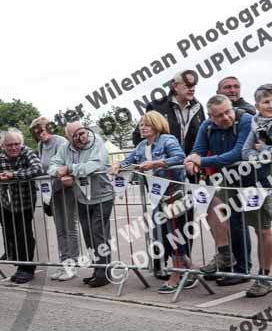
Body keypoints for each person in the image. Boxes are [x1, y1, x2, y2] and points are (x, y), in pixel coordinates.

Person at [111, 111, 193, 293]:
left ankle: (176, 275)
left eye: (146, 124)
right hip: (157, 198)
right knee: (165, 235)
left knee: (174, 236)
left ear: (156, 124)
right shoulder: (141, 146)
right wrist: (117, 165)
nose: (142, 128)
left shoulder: (168, 140)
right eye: (141, 125)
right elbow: (128, 161)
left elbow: (180, 158)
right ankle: (190, 270)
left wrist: (156, 164)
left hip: (173, 195)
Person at [184, 94, 253, 286]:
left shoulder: (246, 119)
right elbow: (197, 149)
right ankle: (230, 262)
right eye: (219, 115)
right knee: (226, 217)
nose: (226, 118)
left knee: (250, 226)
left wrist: (201, 161)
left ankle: (245, 271)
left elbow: (237, 153)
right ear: (211, 116)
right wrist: (191, 160)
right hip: (226, 180)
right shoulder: (206, 126)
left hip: (251, 178)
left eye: (228, 112)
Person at [48, 123, 115, 287]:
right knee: (88, 235)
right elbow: (52, 166)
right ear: (67, 138)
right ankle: (97, 269)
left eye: (82, 133)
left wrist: (69, 169)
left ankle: (104, 273)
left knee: (98, 232)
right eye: (75, 136)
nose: (81, 137)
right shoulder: (64, 148)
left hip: (102, 196)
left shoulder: (96, 141)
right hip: (82, 197)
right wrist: (59, 173)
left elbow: (95, 165)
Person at [0, 130, 43, 283]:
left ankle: (27, 268)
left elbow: (37, 169)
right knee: (10, 235)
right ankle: (19, 265)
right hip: (6, 203)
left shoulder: (27, 153)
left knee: (23, 235)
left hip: (25, 201)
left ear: (21, 144)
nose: (13, 148)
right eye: (9, 145)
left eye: (16, 144)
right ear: (3, 145)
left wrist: (14, 175)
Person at [30, 116, 80, 280]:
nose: (41, 133)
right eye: (37, 131)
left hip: (66, 189)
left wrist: (66, 175)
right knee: (59, 229)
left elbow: (71, 162)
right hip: (52, 192)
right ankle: (63, 263)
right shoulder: (40, 145)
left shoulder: (60, 142)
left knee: (70, 227)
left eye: (43, 129)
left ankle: (72, 265)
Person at [239, 84, 272, 297]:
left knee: (266, 231)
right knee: (261, 231)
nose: (271, 105)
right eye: (266, 101)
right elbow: (245, 152)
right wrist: (262, 155)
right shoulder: (254, 125)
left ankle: (265, 276)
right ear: (258, 105)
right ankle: (263, 276)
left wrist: (265, 150)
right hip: (257, 184)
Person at [133, 70, 205, 156]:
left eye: (194, 85)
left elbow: (203, 137)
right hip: (164, 166)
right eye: (188, 85)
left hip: (192, 165)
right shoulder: (156, 106)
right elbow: (139, 135)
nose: (192, 89)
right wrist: (152, 158)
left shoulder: (198, 107)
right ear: (175, 86)